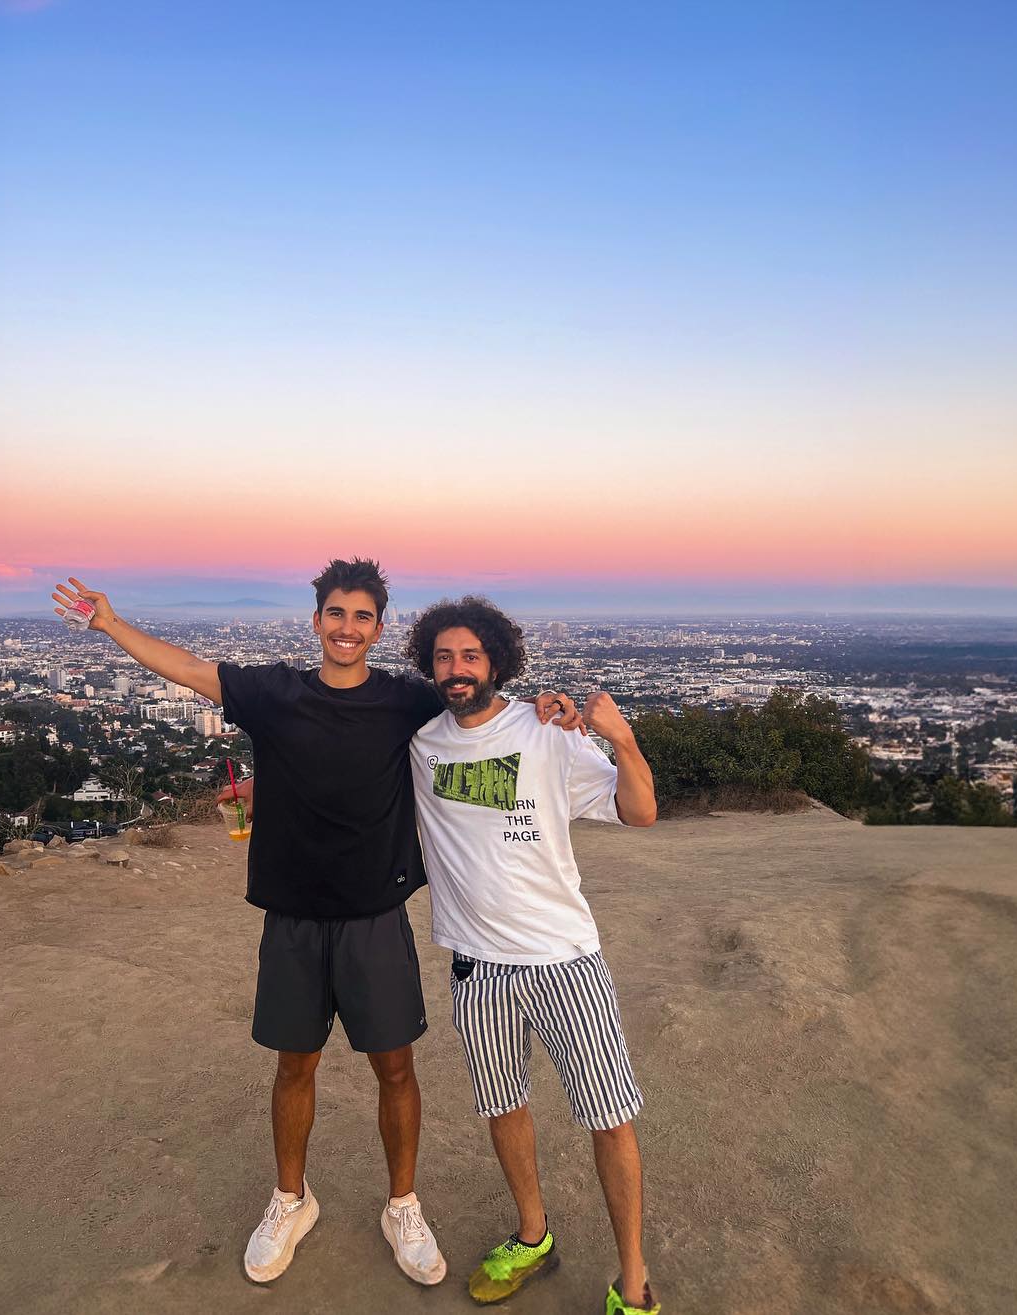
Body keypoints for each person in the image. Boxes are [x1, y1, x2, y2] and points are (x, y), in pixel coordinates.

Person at [51, 560, 576, 1287]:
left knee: (396, 1068)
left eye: (362, 617)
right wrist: (110, 624)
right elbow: (191, 671)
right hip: (293, 915)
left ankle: (403, 1204)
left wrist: (549, 708)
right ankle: (290, 1200)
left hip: (375, 915)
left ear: (379, 628)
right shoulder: (276, 693)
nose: (347, 628)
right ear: (317, 620)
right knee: (294, 1064)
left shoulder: (405, 700)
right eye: (336, 613)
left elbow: (479, 703)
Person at [403, 596, 661, 1315]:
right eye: (444, 657)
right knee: (504, 1106)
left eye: (470, 655)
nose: (457, 669)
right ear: (429, 665)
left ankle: (633, 1278)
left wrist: (622, 739)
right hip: (475, 966)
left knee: (610, 1115)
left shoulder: (546, 731)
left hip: (563, 959)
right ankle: (532, 1234)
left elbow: (640, 811)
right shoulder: (421, 743)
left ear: (497, 661)